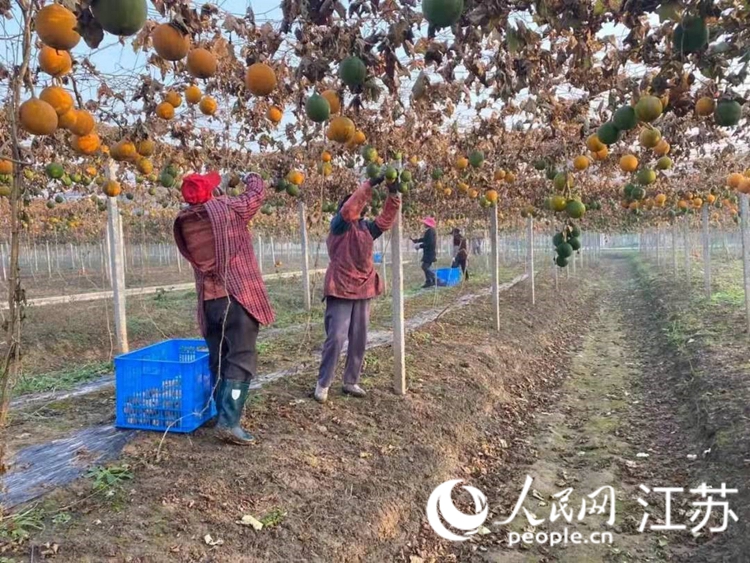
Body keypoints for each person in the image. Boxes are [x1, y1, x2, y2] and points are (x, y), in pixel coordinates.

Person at [173, 171, 274, 445]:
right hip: (236, 298)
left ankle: (221, 413)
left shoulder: (184, 221)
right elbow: (255, 196)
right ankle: (229, 422)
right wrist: (253, 176)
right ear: (212, 194)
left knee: (219, 358)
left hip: (209, 303)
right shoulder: (227, 209)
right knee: (241, 361)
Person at [314, 175, 401, 403]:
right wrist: (369, 185)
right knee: (336, 336)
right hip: (341, 286)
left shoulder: (366, 228)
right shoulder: (339, 225)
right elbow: (350, 208)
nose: (359, 210)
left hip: (363, 286)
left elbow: (386, 220)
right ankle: (323, 382)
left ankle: (351, 381)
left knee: (359, 337)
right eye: (356, 206)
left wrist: (393, 194)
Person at [412, 217, 437, 288]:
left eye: (425, 223)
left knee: (425, 267)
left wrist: (420, 246)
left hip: (429, 253)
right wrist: (417, 240)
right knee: (425, 267)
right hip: (428, 252)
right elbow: (425, 239)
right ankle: (430, 281)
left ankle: (433, 279)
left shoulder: (430, 231)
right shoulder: (430, 231)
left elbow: (429, 243)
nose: (424, 224)